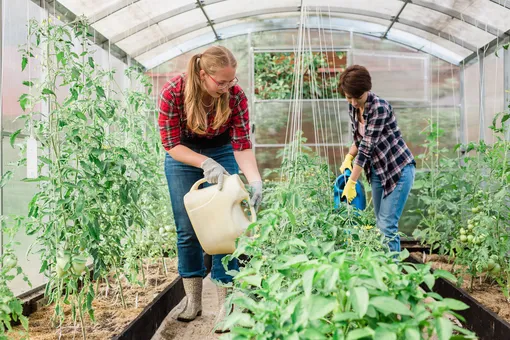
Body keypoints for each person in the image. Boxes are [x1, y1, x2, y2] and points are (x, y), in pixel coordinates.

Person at [158, 46, 262, 331]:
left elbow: (241, 144)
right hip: (183, 154)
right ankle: (193, 302)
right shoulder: (173, 92)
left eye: (232, 81)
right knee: (187, 228)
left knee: (224, 227)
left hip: (223, 151)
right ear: (203, 75)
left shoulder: (235, 96)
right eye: (222, 82)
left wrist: (254, 180)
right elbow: (170, 144)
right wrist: (204, 162)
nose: (229, 87)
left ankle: (226, 305)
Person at [338, 65, 415, 253]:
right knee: (380, 225)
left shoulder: (379, 107)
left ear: (367, 90)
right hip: (377, 172)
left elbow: (366, 147)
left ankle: (393, 278)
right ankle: (383, 273)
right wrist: (349, 155)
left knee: (387, 227)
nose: (354, 102)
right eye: (349, 97)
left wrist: (352, 181)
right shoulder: (353, 107)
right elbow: (359, 140)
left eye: (358, 97)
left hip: (397, 170)